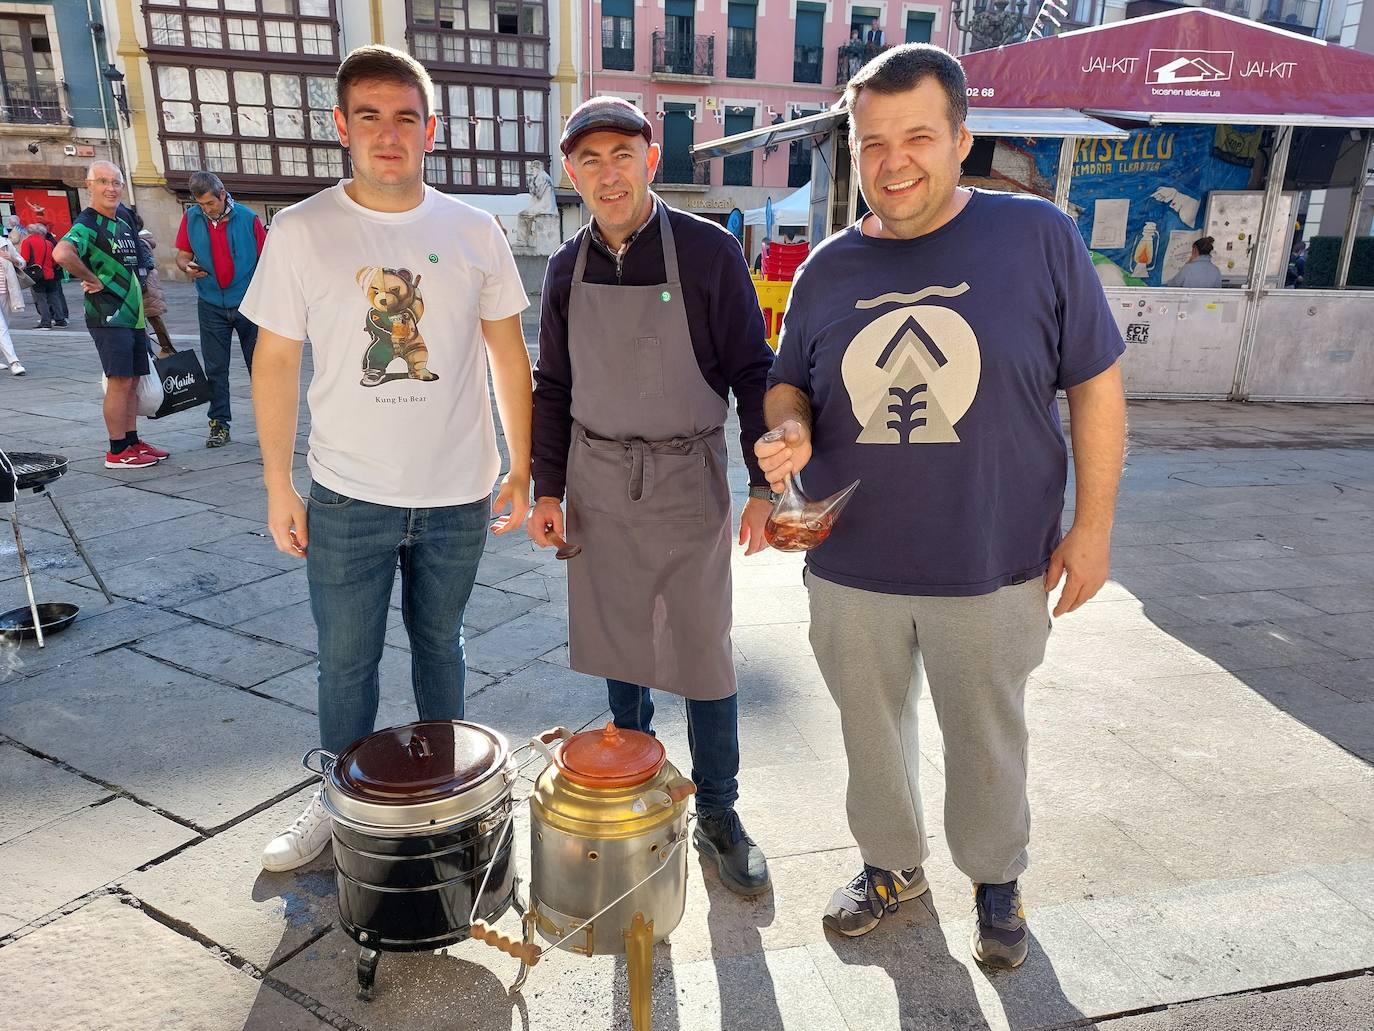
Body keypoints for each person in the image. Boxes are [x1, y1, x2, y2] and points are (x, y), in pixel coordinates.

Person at [755, 44, 1126, 967]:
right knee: (868, 733)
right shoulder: (827, 270)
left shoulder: (1037, 236)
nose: (894, 160)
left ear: (961, 138)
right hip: (851, 564)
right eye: (872, 141)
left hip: (990, 557)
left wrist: (1093, 527)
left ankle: (996, 878)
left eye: (918, 135)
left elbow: (1096, 386)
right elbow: (785, 385)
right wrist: (787, 430)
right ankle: (890, 866)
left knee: (986, 734)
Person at [243, 45, 533, 872]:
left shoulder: (474, 230)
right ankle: (338, 800)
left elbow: (510, 356)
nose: (387, 133)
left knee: (442, 644)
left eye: (405, 116)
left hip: (457, 491)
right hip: (347, 494)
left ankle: (454, 798)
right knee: (346, 661)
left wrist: (521, 466)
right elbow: (274, 362)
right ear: (341, 127)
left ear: (430, 129)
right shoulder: (302, 231)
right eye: (368, 115)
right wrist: (276, 483)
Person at [530, 96, 774, 896]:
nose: (608, 174)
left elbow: (750, 371)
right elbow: (554, 385)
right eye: (590, 161)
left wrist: (767, 485)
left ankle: (721, 815)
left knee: (705, 656)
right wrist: (548, 487)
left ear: (651, 159)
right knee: (619, 648)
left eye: (622, 156)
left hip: (686, 478)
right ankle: (632, 796)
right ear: (572, 172)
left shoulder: (708, 253)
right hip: (598, 484)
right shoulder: (566, 268)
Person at [53, 161, 171, 469]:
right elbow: (62, 253)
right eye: (103, 182)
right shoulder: (87, 223)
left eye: (116, 182)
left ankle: (132, 441)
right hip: (108, 315)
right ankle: (117, 450)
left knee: (132, 379)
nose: (111, 188)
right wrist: (90, 278)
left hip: (132, 315)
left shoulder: (124, 217)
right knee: (119, 381)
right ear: (89, 186)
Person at [175, 171, 267, 448]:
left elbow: (268, 261)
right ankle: (218, 424)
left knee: (260, 368)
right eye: (201, 205)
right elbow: (181, 256)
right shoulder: (192, 217)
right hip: (211, 303)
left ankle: (268, 424)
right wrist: (186, 267)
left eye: (210, 204)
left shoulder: (248, 219)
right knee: (215, 368)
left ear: (223, 194)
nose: (206, 210)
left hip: (249, 303)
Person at [19, 224, 66, 329]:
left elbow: (24, 260)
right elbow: (54, 261)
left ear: (28, 232)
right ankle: (60, 320)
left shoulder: (27, 242)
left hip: (36, 275)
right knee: (54, 297)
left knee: (41, 299)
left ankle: (46, 322)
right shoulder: (48, 243)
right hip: (50, 274)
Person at [0, 232, 26, 374]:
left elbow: (22, 262)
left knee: (5, 326)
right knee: (1, 328)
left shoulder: (5, 244)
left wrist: (11, 259)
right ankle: (14, 362)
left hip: (6, 292)